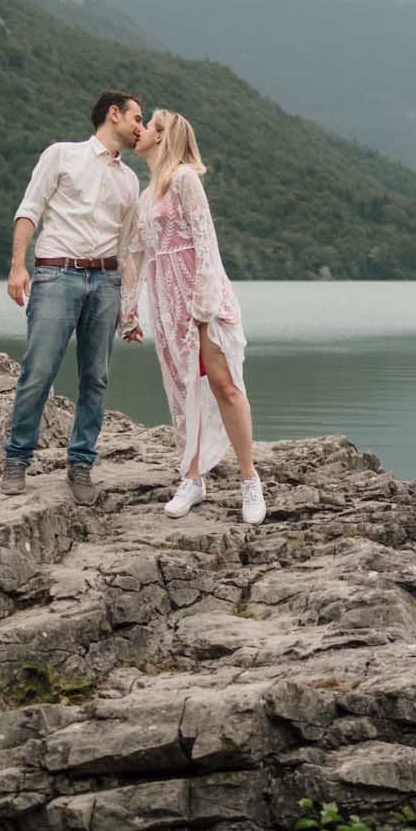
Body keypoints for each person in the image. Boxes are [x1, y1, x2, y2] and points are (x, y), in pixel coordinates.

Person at [120, 108, 265, 524]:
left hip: (200, 301)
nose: (141, 130)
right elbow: (136, 256)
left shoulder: (184, 179)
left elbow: (205, 242)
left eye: (148, 125)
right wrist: (130, 311)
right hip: (166, 304)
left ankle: (249, 479)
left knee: (223, 385)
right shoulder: (145, 197)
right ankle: (192, 478)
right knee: (180, 390)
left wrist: (202, 308)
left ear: (163, 136)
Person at [3, 90, 144, 503]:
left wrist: (130, 309)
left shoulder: (130, 180)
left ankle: (81, 465)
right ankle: (16, 460)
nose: (141, 127)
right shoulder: (61, 155)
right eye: (137, 118)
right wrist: (17, 267)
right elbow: (29, 209)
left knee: (95, 378)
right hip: (56, 275)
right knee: (39, 370)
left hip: (106, 284)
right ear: (113, 114)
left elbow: (126, 247)